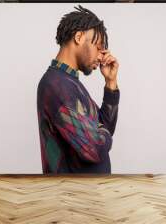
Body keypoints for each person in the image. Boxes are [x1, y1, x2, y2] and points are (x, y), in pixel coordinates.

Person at [37, 5, 120, 174]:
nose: (101, 56)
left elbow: (105, 127)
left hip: (87, 193)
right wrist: (99, 131)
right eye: (98, 46)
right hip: (75, 195)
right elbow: (95, 149)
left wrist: (111, 82)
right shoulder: (56, 86)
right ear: (79, 37)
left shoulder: (70, 81)